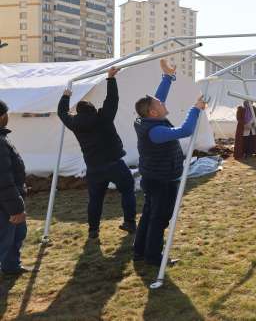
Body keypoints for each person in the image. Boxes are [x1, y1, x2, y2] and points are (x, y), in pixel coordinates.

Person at [132, 59, 206, 266]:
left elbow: (159, 97)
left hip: (153, 177)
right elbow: (184, 131)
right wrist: (195, 108)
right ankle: (153, 257)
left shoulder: (146, 118)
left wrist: (168, 77)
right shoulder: (155, 131)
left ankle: (140, 251)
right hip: (162, 180)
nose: (164, 103)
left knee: (149, 215)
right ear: (154, 112)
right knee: (159, 218)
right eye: (160, 104)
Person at [57, 67, 136, 239]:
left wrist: (65, 96)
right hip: (114, 163)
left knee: (95, 199)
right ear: (93, 109)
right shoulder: (103, 117)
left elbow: (61, 113)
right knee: (128, 190)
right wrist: (110, 78)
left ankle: (93, 230)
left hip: (93, 167)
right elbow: (112, 99)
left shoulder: (74, 123)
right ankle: (129, 222)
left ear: (78, 112)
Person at [0, 100, 33, 275]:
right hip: (5, 204)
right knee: (5, 239)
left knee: (16, 235)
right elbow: (3, 180)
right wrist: (16, 209)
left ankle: (11, 266)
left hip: (8, 201)